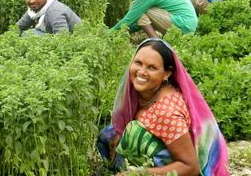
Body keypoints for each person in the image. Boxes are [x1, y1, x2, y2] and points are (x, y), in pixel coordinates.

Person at [97, 38, 229, 176]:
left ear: (167, 73)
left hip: (181, 169)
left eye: (152, 67)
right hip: (160, 154)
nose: (141, 72)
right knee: (109, 134)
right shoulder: (140, 92)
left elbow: (191, 167)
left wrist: (140, 173)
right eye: (138, 63)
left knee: (134, 132)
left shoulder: (167, 112)